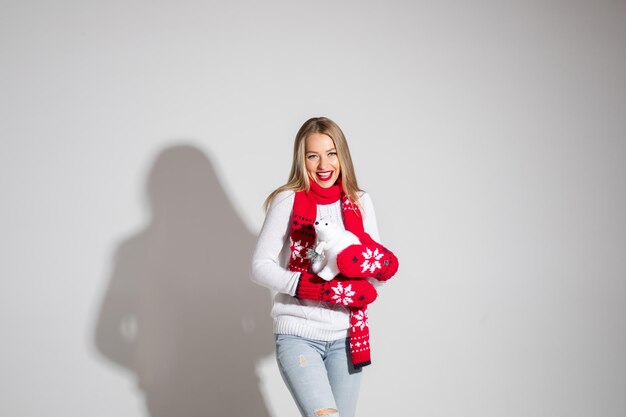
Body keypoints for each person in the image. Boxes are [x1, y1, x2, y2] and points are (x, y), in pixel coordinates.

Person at [250, 117, 397, 417]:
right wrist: (307, 287)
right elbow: (259, 266)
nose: (323, 165)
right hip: (298, 334)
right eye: (312, 155)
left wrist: (365, 276)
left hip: (346, 337)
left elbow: (375, 274)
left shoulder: (360, 202)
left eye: (331, 153)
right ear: (301, 159)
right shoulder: (287, 200)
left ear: (342, 155)